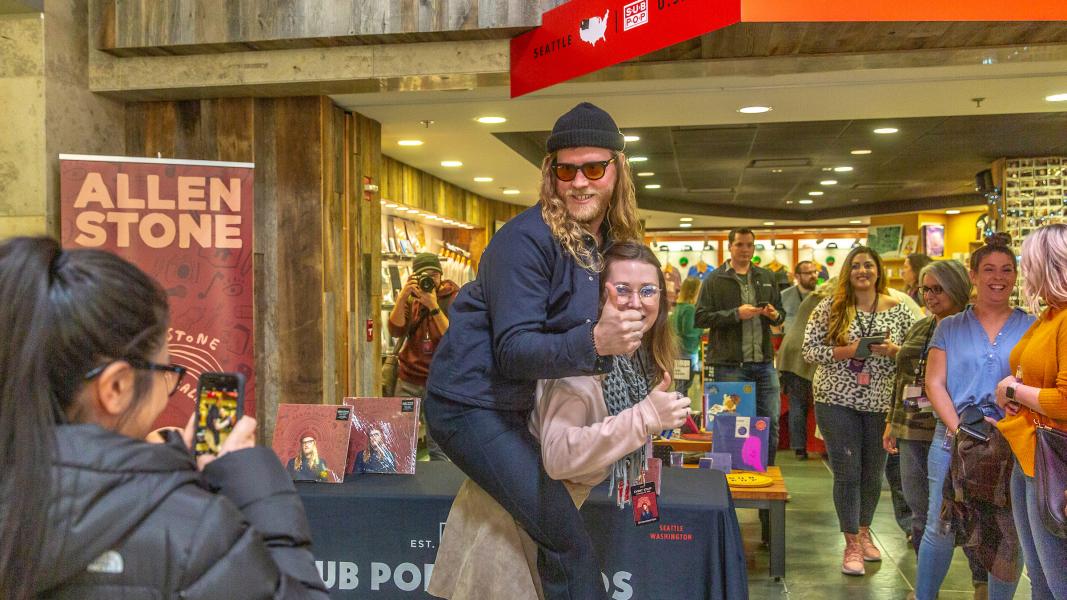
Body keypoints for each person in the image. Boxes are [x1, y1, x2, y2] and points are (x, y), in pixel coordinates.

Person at [0, 236, 327, 600]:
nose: (169, 384)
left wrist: (171, 468)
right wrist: (253, 489)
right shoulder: (191, 530)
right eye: (166, 368)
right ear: (117, 387)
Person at [423, 102, 643, 600]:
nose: (580, 181)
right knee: (566, 542)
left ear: (617, 171)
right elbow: (516, 351)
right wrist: (596, 343)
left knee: (520, 536)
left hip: (520, 406)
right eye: (567, 169)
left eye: (594, 168)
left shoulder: (603, 240)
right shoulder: (524, 241)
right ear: (551, 174)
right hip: (469, 407)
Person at [427, 241, 690, 600]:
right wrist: (645, 418)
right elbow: (559, 454)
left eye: (647, 290)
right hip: (511, 528)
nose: (635, 301)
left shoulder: (631, 362)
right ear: (597, 297)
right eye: (621, 290)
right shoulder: (579, 365)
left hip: (537, 521)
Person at [913, 234, 1033, 600]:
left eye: (1007, 270)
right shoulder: (950, 326)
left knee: (1006, 534)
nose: (999, 277)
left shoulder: (1032, 326)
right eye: (989, 269)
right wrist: (961, 428)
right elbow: (934, 383)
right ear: (974, 275)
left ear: (1017, 275)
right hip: (951, 441)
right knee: (941, 526)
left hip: (1012, 445)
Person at [802, 245, 916, 576]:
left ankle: (865, 532)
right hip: (835, 399)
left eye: (868, 265)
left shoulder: (900, 310)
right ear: (847, 272)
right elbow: (809, 351)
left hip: (880, 402)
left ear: (878, 270)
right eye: (855, 266)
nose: (862, 271)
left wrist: (894, 349)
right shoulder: (831, 307)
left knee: (873, 473)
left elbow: (915, 354)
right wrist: (848, 350)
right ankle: (851, 542)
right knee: (847, 471)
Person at [881, 259, 990, 593]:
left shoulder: (975, 328)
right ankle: (926, 584)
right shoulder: (921, 326)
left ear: (956, 287)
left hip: (956, 432)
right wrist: (891, 422)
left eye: (937, 289)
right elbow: (902, 376)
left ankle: (980, 582)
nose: (929, 296)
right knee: (920, 511)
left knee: (968, 510)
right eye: (925, 289)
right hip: (912, 428)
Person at [995, 224, 1067, 599]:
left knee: (1057, 583)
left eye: (1028, 261)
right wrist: (1013, 389)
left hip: (1053, 461)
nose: (1023, 270)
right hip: (1030, 455)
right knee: (1040, 579)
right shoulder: (1049, 315)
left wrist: (1015, 389)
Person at [695, 227, 785, 465]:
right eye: (740, 245)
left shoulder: (766, 276)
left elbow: (781, 314)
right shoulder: (714, 279)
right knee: (733, 424)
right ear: (730, 247)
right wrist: (736, 314)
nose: (745, 250)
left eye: (749, 245)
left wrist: (775, 315)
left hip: (764, 362)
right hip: (730, 365)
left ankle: (766, 472)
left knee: (770, 422)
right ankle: (733, 479)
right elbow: (701, 318)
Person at [387, 252, 459, 461]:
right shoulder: (411, 298)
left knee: (439, 445)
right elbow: (395, 330)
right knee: (400, 438)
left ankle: (439, 488)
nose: (430, 280)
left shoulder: (452, 296)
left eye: (434, 275)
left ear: (441, 276)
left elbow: (454, 336)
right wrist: (402, 297)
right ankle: (401, 484)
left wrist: (433, 306)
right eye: (424, 275)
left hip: (440, 380)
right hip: (409, 378)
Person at [778, 279, 831, 460]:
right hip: (807, 353)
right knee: (821, 404)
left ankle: (799, 448)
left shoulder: (811, 297)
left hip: (791, 351)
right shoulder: (831, 302)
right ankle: (826, 447)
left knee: (797, 404)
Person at [670, 276, 703, 396]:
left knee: (680, 386)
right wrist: (703, 330)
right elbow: (689, 331)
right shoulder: (689, 308)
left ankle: (681, 412)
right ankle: (683, 413)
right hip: (688, 352)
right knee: (684, 386)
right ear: (693, 291)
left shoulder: (679, 306)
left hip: (679, 351)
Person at [782, 260, 819, 333]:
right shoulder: (783, 296)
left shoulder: (825, 295)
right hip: (793, 341)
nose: (814, 276)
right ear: (797, 276)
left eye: (815, 272)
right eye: (808, 273)